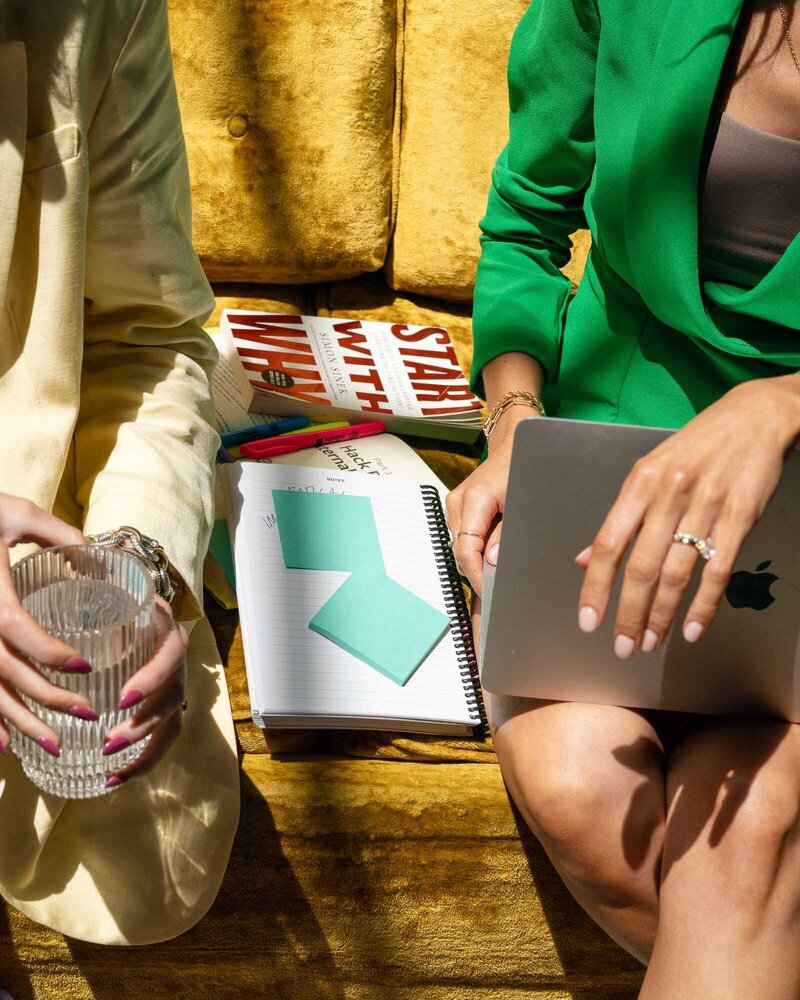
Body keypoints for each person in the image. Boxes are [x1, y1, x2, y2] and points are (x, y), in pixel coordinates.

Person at [447, 0, 800, 995]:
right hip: (598, 503)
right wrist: (515, 418)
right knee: (575, 789)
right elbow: (524, 213)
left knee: (750, 839)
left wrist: (778, 404)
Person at [0, 0, 239, 947]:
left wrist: (139, 558)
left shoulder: (97, 10)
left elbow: (150, 333)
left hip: (37, 595)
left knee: (143, 862)